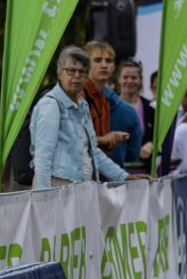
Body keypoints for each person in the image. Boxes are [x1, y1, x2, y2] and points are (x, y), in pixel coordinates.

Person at [29, 46, 149, 189]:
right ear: (60, 73)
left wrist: (124, 176)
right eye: (71, 70)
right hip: (57, 187)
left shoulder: (82, 104)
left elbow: (93, 151)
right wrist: (43, 196)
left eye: (82, 72)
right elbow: (42, 159)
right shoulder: (51, 105)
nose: (77, 76)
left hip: (81, 187)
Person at [82, 40, 138, 160]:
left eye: (108, 61)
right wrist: (104, 139)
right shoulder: (78, 94)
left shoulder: (105, 98)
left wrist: (110, 142)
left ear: (113, 67)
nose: (104, 65)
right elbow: (70, 139)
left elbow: (100, 150)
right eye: (97, 60)